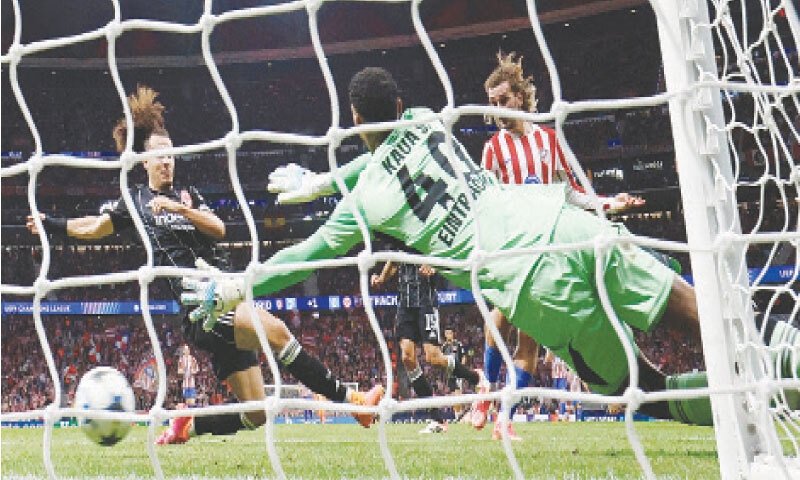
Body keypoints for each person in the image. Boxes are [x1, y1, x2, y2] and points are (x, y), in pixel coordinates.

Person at [185, 66, 800, 431]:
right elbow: (385, 148)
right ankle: (777, 359)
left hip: (524, 278)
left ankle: (748, 402)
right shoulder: (425, 117)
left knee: (635, 388)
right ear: (400, 106)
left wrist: (243, 280)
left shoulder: (365, 200)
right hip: (556, 220)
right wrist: (331, 175)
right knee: (676, 298)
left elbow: (307, 255)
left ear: (350, 115)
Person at [26, 85, 383, 445]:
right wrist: (49, 224)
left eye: (171, 156)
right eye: (159, 157)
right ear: (144, 162)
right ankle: (351, 402)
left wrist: (181, 209)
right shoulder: (133, 202)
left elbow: (220, 228)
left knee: (255, 413)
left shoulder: (190, 196)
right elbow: (92, 226)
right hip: (201, 307)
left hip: (224, 293)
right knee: (275, 331)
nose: (167, 162)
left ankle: (188, 425)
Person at [472, 51, 650, 440]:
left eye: (504, 100)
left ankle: (504, 419)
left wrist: (609, 203)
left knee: (529, 342)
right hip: (511, 247)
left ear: (520, 96)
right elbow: (483, 203)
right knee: (500, 316)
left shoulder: (548, 140)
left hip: (545, 249)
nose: (499, 110)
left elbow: (572, 192)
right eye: (492, 104)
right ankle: (485, 388)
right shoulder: (493, 150)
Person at [370, 258, 484, 434]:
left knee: (434, 357)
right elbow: (393, 261)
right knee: (407, 358)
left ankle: (475, 377)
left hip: (426, 302)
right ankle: (437, 419)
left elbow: (445, 255)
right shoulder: (398, 237)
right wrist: (381, 278)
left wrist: (434, 265)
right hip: (404, 304)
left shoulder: (424, 235)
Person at [440, 327, 470, 421]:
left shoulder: (458, 344)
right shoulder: (444, 347)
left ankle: (461, 413)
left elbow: (464, 356)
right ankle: (458, 415)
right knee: (453, 395)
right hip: (449, 374)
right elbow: (441, 359)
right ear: (445, 335)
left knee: (458, 393)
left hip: (457, 373)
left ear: (453, 334)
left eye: (450, 333)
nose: (448, 335)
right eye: (446, 333)